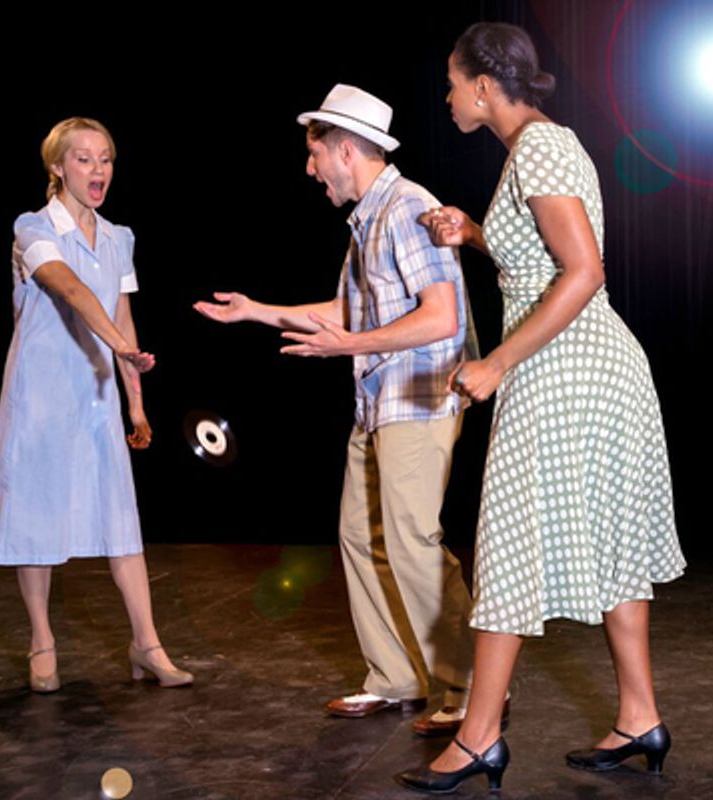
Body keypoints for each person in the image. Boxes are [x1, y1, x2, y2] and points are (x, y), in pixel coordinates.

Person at [395, 23, 686, 794]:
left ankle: (482, 735)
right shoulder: (538, 150)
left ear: (485, 85)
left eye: (454, 82)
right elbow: (542, 259)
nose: (450, 96)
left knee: (509, 542)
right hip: (581, 368)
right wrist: (476, 233)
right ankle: (639, 715)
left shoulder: (541, 149)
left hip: (570, 369)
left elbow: (583, 271)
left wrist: (494, 362)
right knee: (611, 542)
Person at [193, 85, 481, 735]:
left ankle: (467, 684)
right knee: (360, 536)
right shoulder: (368, 220)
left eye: (314, 152)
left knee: (412, 540)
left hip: (418, 398)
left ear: (345, 150)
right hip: (378, 400)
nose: (309, 167)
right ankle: (396, 677)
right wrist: (257, 311)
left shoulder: (409, 207)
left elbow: (441, 317)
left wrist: (349, 346)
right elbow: (352, 311)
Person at [0, 117, 192, 692]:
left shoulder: (120, 236)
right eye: (83, 159)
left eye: (105, 159)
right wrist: (122, 346)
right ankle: (41, 641)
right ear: (57, 167)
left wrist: (137, 405)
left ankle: (146, 644)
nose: (98, 170)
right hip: (43, 393)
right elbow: (69, 288)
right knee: (37, 518)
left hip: (98, 392)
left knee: (121, 520)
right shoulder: (33, 228)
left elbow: (123, 315)